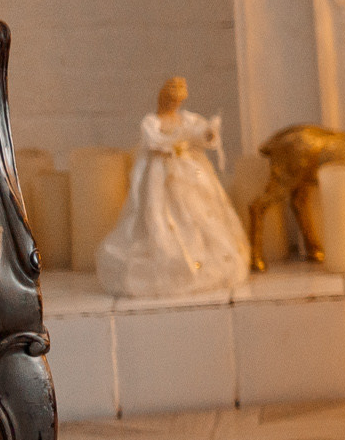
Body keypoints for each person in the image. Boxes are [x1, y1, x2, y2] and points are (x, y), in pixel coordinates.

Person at [97, 76, 249, 298]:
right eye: (172, 101)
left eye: (178, 101)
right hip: (161, 174)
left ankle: (198, 252)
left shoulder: (186, 119)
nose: (175, 105)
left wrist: (209, 132)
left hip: (188, 172)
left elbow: (200, 135)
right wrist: (177, 139)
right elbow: (154, 141)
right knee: (159, 212)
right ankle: (168, 254)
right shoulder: (152, 121)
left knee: (196, 210)